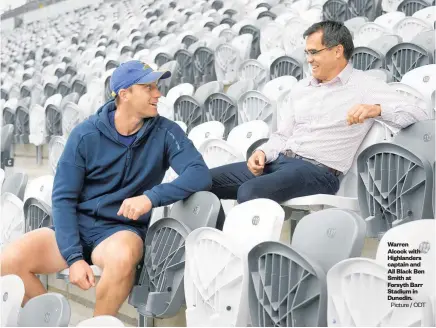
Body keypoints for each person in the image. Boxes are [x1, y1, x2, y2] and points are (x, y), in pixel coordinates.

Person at [1, 61, 212, 316]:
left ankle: (100, 323)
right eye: (149, 88)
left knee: (123, 256)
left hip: (121, 230)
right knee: (8, 261)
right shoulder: (85, 134)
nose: (158, 94)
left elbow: (199, 174)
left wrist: (151, 197)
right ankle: (54, 319)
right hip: (77, 226)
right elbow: (64, 198)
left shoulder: (166, 132)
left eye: (157, 87)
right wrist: (74, 258)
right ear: (124, 94)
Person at [209, 21, 429, 205]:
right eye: (307, 53)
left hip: (318, 172)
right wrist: (263, 153)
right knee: (202, 182)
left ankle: (254, 256)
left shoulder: (365, 85)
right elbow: (282, 136)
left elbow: (419, 115)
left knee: (249, 191)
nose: (309, 59)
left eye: (314, 52)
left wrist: (377, 109)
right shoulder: (301, 88)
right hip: (281, 161)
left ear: (337, 51)